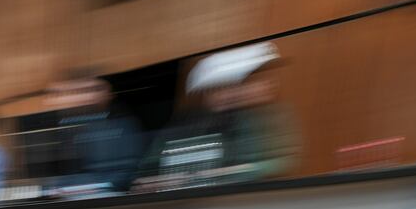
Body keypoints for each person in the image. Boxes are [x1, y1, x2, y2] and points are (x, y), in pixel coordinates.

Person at [136, 42, 299, 190]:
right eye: (220, 88)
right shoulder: (184, 125)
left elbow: (284, 161)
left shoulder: (261, 118)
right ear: (207, 92)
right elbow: (146, 172)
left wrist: (227, 173)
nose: (228, 94)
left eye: (232, 87)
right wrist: (156, 180)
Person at [18, 69, 143, 194]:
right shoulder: (54, 128)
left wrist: (90, 187)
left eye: (93, 90)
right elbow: (43, 178)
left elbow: (125, 172)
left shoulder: (119, 126)